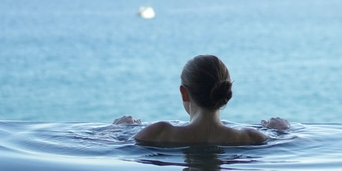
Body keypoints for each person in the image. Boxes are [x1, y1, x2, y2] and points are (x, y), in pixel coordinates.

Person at [115, 54, 289, 145]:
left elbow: (110, 146)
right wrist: (282, 130)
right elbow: (284, 145)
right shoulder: (251, 137)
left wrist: (117, 129)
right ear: (226, 93)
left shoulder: (159, 133)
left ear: (184, 93)